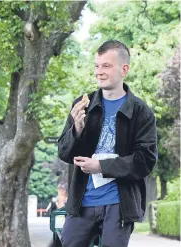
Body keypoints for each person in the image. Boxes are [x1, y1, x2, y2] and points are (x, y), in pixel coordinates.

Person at [57, 40, 157, 247]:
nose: (99, 72)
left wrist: (101, 167)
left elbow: (145, 161)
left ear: (124, 69)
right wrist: (76, 130)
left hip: (119, 204)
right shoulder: (82, 105)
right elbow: (64, 153)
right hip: (81, 203)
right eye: (97, 66)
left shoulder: (141, 112)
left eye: (106, 66)